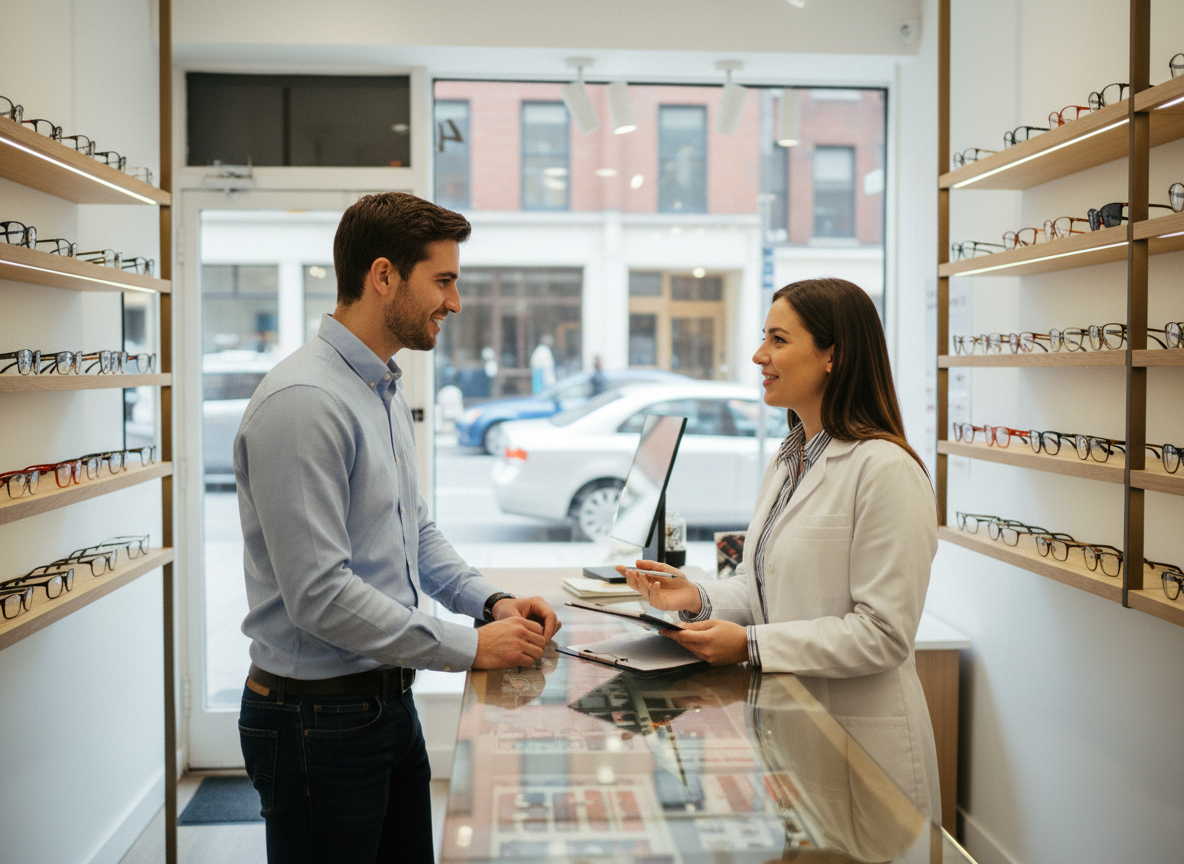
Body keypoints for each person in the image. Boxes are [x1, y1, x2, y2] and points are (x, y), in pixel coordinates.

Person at [234, 192, 561, 864]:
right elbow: (320, 595)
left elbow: (414, 532)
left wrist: (490, 603)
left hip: (382, 704)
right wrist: (472, 648)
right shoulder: (306, 403)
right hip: (315, 721)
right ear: (383, 275)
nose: (455, 302)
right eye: (443, 281)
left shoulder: (378, 388)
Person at [619, 277, 941, 824]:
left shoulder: (886, 471)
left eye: (778, 340)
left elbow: (883, 635)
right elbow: (761, 589)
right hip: (793, 732)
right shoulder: (787, 462)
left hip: (861, 744)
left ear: (832, 356)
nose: (758, 355)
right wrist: (694, 598)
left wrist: (748, 645)